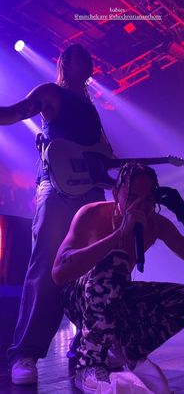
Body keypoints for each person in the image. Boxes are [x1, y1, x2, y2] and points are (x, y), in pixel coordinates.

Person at [0, 43, 113, 384]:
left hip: (91, 194)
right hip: (56, 189)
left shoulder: (92, 109)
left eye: (92, 57)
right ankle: (25, 353)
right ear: (65, 61)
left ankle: (87, 346)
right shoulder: (50, 94)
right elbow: (12, 113)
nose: (90, 60)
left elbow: (102, 156)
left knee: (93, 270)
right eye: (82, 55)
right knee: (46, 268)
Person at [52, 162, 184, 393]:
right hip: (80, 299)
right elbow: (59, 273)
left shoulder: (156, 224)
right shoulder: (91, 214)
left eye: (149, 198)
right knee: (115, 260)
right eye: (131, 197)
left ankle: (127, 350)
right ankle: (87, 364)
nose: (141, 205)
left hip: (116, 300)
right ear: (115, 194)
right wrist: (118, 235)